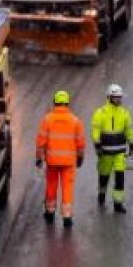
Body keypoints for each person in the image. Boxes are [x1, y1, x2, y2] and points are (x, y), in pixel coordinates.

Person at [35, 90, 86, 228]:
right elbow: (80, 143)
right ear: (67, 103)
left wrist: (39, 158)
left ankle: (50, 213)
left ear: (55, 103)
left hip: (52, 161)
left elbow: (41, 141)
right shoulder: (75, 121)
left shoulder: (47, 119)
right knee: (67, 188)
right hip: (69, 162)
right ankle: (67, 217)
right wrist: (80, 158)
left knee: (51, 185)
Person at [91, 84, 133, 214]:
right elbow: (96, 129)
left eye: (120, 98)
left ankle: (118, 203)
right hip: (105, 152)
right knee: (104, 176)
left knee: (120, 178)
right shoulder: (100, 113)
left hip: (120, 153)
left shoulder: (124, 113)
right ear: (109, 97)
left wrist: (132, 143)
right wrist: (97, 144)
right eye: (116, 98)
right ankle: (101, 193)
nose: (118, 100)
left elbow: (128, 129)